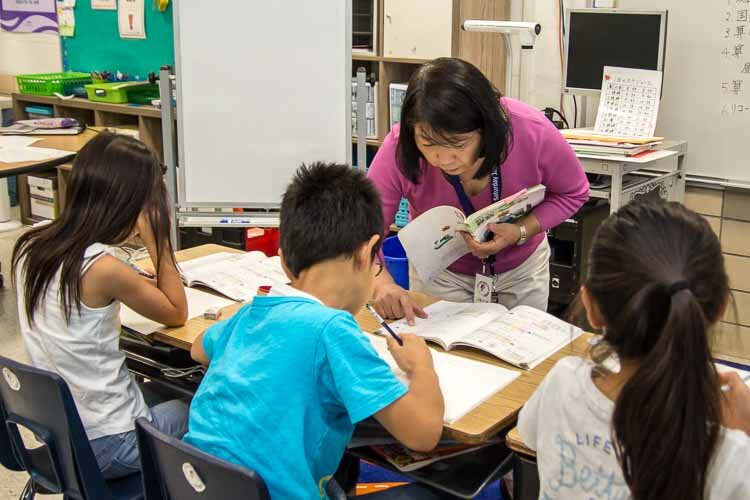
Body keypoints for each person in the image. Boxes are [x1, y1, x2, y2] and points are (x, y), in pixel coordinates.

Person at [185, 163, 447, 499]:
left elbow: (197, 349)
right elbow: (423, 434)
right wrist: (421, 366)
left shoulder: (252, 311)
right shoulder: (333, 330)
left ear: (283, 261)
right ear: (367, 253)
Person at [517, 200, 750, 500]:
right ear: (718, 309)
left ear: (591, 306)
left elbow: (529, 437)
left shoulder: (562, 383)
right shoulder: (730, 454)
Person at [12, 132, 189, 479]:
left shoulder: (31, 245)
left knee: (158, 390)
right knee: (205, 409)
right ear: (127, 203)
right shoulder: (103, 269)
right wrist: (159, 238)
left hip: (58, 433)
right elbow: (176, 311)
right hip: (109, 445)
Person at [367, 58, 588, 323]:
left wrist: (521, 230)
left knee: (516, 357)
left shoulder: (530, 131)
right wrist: (382, 284)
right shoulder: (398, 149)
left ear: (486, 128)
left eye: (458, 144)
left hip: (521, 271)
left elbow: (573, 192)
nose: (443, 159)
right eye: (427, 143)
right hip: (441, 273)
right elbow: (365, 231)